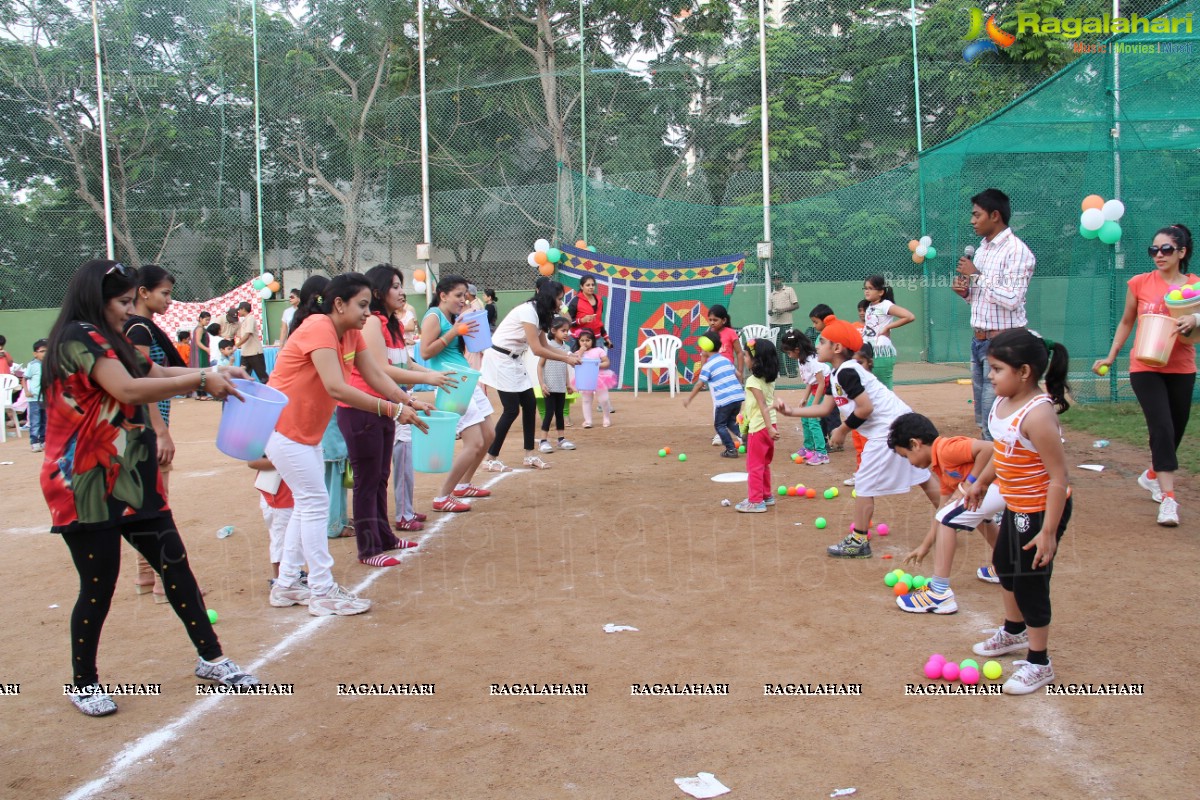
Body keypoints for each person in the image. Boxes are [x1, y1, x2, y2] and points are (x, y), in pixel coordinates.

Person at [41, 259, 258, 716]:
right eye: (121, 302)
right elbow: (128, 389)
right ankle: (84, 682)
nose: (128, 310)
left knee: (174, 566)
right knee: (98, 585)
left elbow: (151, 376)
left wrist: (223, 371)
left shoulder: (112, 335)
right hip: (86, 481)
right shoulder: (79, 336)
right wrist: (201, 379)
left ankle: (213, 659)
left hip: (133, 473)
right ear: (96, 300)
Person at [266, 273, 428, 616]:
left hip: (303, 434)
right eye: (362, 305)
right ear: (338, 304)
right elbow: (337, 387)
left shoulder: (350, 332)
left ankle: (287, 584)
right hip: (284, 431)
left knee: (305, 506)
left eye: (369, 305)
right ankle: (322, 590)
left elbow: (374, 375)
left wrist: (405, 402)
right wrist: (392, 409)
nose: (367, 313)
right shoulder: (318, 327)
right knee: (314, 504)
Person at [963, 328, 1072, 695]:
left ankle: (1040, 663)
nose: (989, 375)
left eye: (996, 369)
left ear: (1024, 372)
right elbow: (1002, 450)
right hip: (1017, 503)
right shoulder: (1002, 401)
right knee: (1005, 567)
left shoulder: (1038, 415)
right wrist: (980, 481)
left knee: (1031, 583)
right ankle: (1014, 631)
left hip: (1042, 509)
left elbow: (1059, 479)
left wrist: (1049, 532)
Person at [775, 316, 938, 557]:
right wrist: (791, 412)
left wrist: (842, 430)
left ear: (837, 348)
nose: (818, 346)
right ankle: (952, 516)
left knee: (864, 483)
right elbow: (824, 408)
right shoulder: (836, 374)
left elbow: (865, 408)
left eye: (823, 342)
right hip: (900, 423)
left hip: (888, 430)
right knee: (922, 475)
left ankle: (859, 540)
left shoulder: (847, 372)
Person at [341, 264, 450, 563]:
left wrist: (427, 382)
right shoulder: (373, 323)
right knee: (367, 480)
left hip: (386, 407)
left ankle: (385, 537)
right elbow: (380, 370)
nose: (402, 292)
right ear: (378, 292)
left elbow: (403, 366)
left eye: (401, 285)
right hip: (362, 408)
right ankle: (368, 549)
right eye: (395, 286)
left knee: (380, 477)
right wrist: (426, 382)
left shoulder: (393, 324)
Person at [1093, 224, 1200, 528]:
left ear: (1182, 252)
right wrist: (1111, 356)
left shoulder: (1194, 285)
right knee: (1162, 428)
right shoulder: (1140, 282)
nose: (1159, 255)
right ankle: (1168, 499)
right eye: (1154, 249)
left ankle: (1152, 475)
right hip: (1145, 366)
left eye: (1166, 249)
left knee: (1175, 431)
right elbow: (1127, 322)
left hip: (1181, 367)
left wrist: (1195, 316)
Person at [887, 412, 1003, 614]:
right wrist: (924, 546)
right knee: (974, 517)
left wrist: (970, 483)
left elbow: (990, 449)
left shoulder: (948, 449)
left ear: (915, 444)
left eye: (906, 456)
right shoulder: (942, 469)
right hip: (996, 490)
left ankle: (939, 594)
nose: (910, 462)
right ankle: (1008, 565)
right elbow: (941, 511)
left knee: (950, 518)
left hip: (1004, 486)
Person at [124, 265, 189, 602]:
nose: (169, 299)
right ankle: (165, 581)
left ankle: (145, 577)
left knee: (149, 500)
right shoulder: (138, 329)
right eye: (164, 293)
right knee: (157, 503)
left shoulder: (138, 327)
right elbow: (144, 382)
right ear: (143, 293)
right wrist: (160, 431)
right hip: (147, 429)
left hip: (143, 427)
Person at [953, 188, 1036, 441]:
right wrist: (966, 293)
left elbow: (1012, 299)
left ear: (995, 215)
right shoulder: (982, 250)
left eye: (977, 215)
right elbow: (986, 299)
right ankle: (997, 474)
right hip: (979, 341)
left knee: (994, 419)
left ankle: (1003, 477)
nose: (972, 221)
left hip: (1005, 344)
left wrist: (976, 275)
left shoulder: (1017, 251)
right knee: (983, 418)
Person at [481, 280, 582, 469]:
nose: (561, 303)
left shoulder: (541, 314)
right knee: (511, 410)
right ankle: (490, 458)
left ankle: (529, 455)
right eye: (559, 299)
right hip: (500, 359)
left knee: (529, 403)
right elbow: (537, 350)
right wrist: (566, 360)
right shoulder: (528, 311)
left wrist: (569, 354)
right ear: (549, 298)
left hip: (514, 360)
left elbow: (545, 345)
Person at [420, 275, 498, 508]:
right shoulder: (434, 316)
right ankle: (442, 496)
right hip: (450, 385)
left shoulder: (452, 317)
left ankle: (464, 485)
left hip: (466, 380)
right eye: (458, 295)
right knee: (473, 442)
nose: (462, 300)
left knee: (489, 436)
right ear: (442, 295)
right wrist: (454, 332)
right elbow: (425, 353)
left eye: (464, 295)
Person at [734, 338, 780, 512]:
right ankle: (766, 495)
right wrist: (771, 427)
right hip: (770, 424)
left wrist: (767, 427)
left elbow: (762, 405)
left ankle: (755, 501)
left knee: (754, 465)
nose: (744, 359)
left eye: (746, 355)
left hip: (760, 427)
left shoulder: (753, 381)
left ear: (756, 360)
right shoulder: (769, 380)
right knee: (764, 463)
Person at [683, 330, 744, 458]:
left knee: (719, 425)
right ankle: (745, 437)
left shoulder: (708, 366)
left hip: (725, 400)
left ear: (706, 349)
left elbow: (699, 384)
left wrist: (689, 399)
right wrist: (739, 387)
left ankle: (731, 449)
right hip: (737, 397)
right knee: (731, 421)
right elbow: (738, 375)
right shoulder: (726, 360)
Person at [778, 330, 828, 465]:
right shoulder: (801, 359)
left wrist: (815, 406)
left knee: (812, 419)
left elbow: (822, 383)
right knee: (805, 416)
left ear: (797, 349)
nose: (788, 355)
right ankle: (808, 448)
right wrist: (805, 398)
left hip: (825, 388)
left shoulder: (812, 361)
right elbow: (810, 382)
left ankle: (822, 453)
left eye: (789, 353)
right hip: (815, 388)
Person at [862, 274, 915, 390]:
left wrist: (887, 327)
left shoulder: (885, 305)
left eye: (871, 288)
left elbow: (909, 316)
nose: (867, 291)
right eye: (865, 288)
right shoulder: (870, 306)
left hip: (881, 351)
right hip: (869, 350)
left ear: (881, 292)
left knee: (883, 388)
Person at [248, 455, 294, 581]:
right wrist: (287, 460)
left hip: (289, 494)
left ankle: (291, 575)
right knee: (281, 538)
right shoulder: (268, 436)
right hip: (278, 497)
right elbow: (252, 461)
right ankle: (281, 581)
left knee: (293, 538)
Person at [537, 316, 576, 453]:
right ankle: (543, 441)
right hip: (549, 386)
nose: (566, 333)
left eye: (567, 330)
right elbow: (540, 366)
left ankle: (561, 439)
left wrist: (568, 384)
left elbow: (564, 367)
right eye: (563, 330)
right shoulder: (547, 347)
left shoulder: (566, 348)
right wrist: (542, 384)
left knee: (560, 413)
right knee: (549, 413)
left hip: (560, 386)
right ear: (553, 330)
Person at [574, 329, 617, 429]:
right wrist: (581, 351)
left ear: (593, 340)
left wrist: (597, 365)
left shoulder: (598, 350)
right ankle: (588, 421)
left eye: (588, 340)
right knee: (586, 400)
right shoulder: (577, 352)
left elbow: (607, 362)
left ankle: (606, 418)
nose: (585, 343)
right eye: (582, 340)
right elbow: (576, 361)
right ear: (578, 341)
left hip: (599, 378)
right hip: (585, 379)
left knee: (604, 400)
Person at [769, 275, 800, 377]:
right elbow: (769, 311)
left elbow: (796, 305)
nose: (776, 281)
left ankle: (792, 371)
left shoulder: (789, 290)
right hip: (774, 324)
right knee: (777, 348)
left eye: (778, 278)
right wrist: (772, 312)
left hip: (786, 323)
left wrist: (783, 310)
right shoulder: (771, 294)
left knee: (789, 346)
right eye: (774, 279)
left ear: (782, 279)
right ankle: (781, 372)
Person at [23, 339, 47, 452]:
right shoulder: (32, 365)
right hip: (34, 398)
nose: (44, 354)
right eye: (42, 351)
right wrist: (27, 391)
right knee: (35, 421)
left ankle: (44, 440)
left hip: (46, 398)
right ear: (35, 353)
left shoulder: (48, 364)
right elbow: (24, 379)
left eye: (47, 351)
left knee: (45, 420)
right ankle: (34, 442)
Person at [235, 301, 267, 382]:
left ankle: (271, 393)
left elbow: (247, 334)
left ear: (244, 309)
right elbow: (241, 335)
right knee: (243, 377)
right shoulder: (244, 321)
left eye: (239, 309)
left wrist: (236, 345)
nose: (238, 311)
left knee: (263, 377)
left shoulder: (250, 318)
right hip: (245, 353)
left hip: (254, 353)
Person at [190, 311, 213, 399]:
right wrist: (206, 349)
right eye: (206, 320)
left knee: (199, 372)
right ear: (200, 319)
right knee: (203, 372)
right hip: (201, 353)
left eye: (209, 320)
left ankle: (199, 394)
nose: (208, 322)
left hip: (199, 352)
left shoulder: (199, 328)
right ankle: (202, 394)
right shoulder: (200, 329)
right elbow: (198, 342)